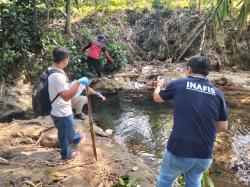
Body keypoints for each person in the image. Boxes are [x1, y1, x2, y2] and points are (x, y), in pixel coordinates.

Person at [153, 55, 228, 187]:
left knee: (165, 180)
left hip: (179, 150)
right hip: (205, 154)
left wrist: (159, 85)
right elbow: (223, 127)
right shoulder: (218, 94)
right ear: (207, 72)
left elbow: (157, 98)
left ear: (189, 70)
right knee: (194, 181)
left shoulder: (179, 84)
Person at [48, 46, 91, 160]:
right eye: (68, 59)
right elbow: (66, 97)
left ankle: (76, 138)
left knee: (68, 128)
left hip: (55, 108)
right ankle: (66, 154)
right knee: (64, 134)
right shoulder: (58, 76)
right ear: (65, 59)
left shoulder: (51, 69)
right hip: (61, 111)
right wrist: (78, 82)